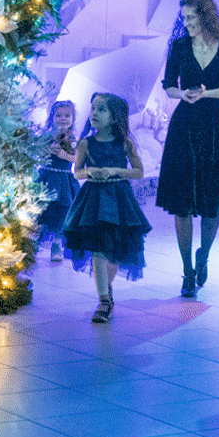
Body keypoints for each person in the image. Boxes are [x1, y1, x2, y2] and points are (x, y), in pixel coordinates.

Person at [155, 0, 219, 298]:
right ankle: (187, 271)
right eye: (184, 17)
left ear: (206, 16)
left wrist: (206, 94)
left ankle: (203, 255)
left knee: (211, 200)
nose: (186, 23)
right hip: (184, 127)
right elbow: (168, 85)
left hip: (214, 127)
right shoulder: (179, 46)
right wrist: (184, 95)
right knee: (182, 202)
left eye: (192, 17)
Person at [63, 93, 152, 323]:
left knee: (115, 251)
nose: (94, 113)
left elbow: (138, 171)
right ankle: (103, 300)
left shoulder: (125, 144)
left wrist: (114, 171)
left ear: (114, 117)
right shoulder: (85, 143)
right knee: (98, 249)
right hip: (93, 200)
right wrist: (90, 172)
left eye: (101, 109)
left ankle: (107, 290)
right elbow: (77, 171)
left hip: (119, 199)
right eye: (93, 108)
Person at [37, 100, 79, 262]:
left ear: (73, 118)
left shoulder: (73, 139)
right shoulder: (47, 136)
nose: (63, 119)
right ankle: (33, 242)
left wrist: (65, 156)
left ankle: (56, 244)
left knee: (62, 213)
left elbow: (77, 159)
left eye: (67, 115)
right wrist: (47, 149)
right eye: (58, 115)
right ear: (52, 118)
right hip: (47, 177)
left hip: (64, 180)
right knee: (41, 210)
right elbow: (37, 153)